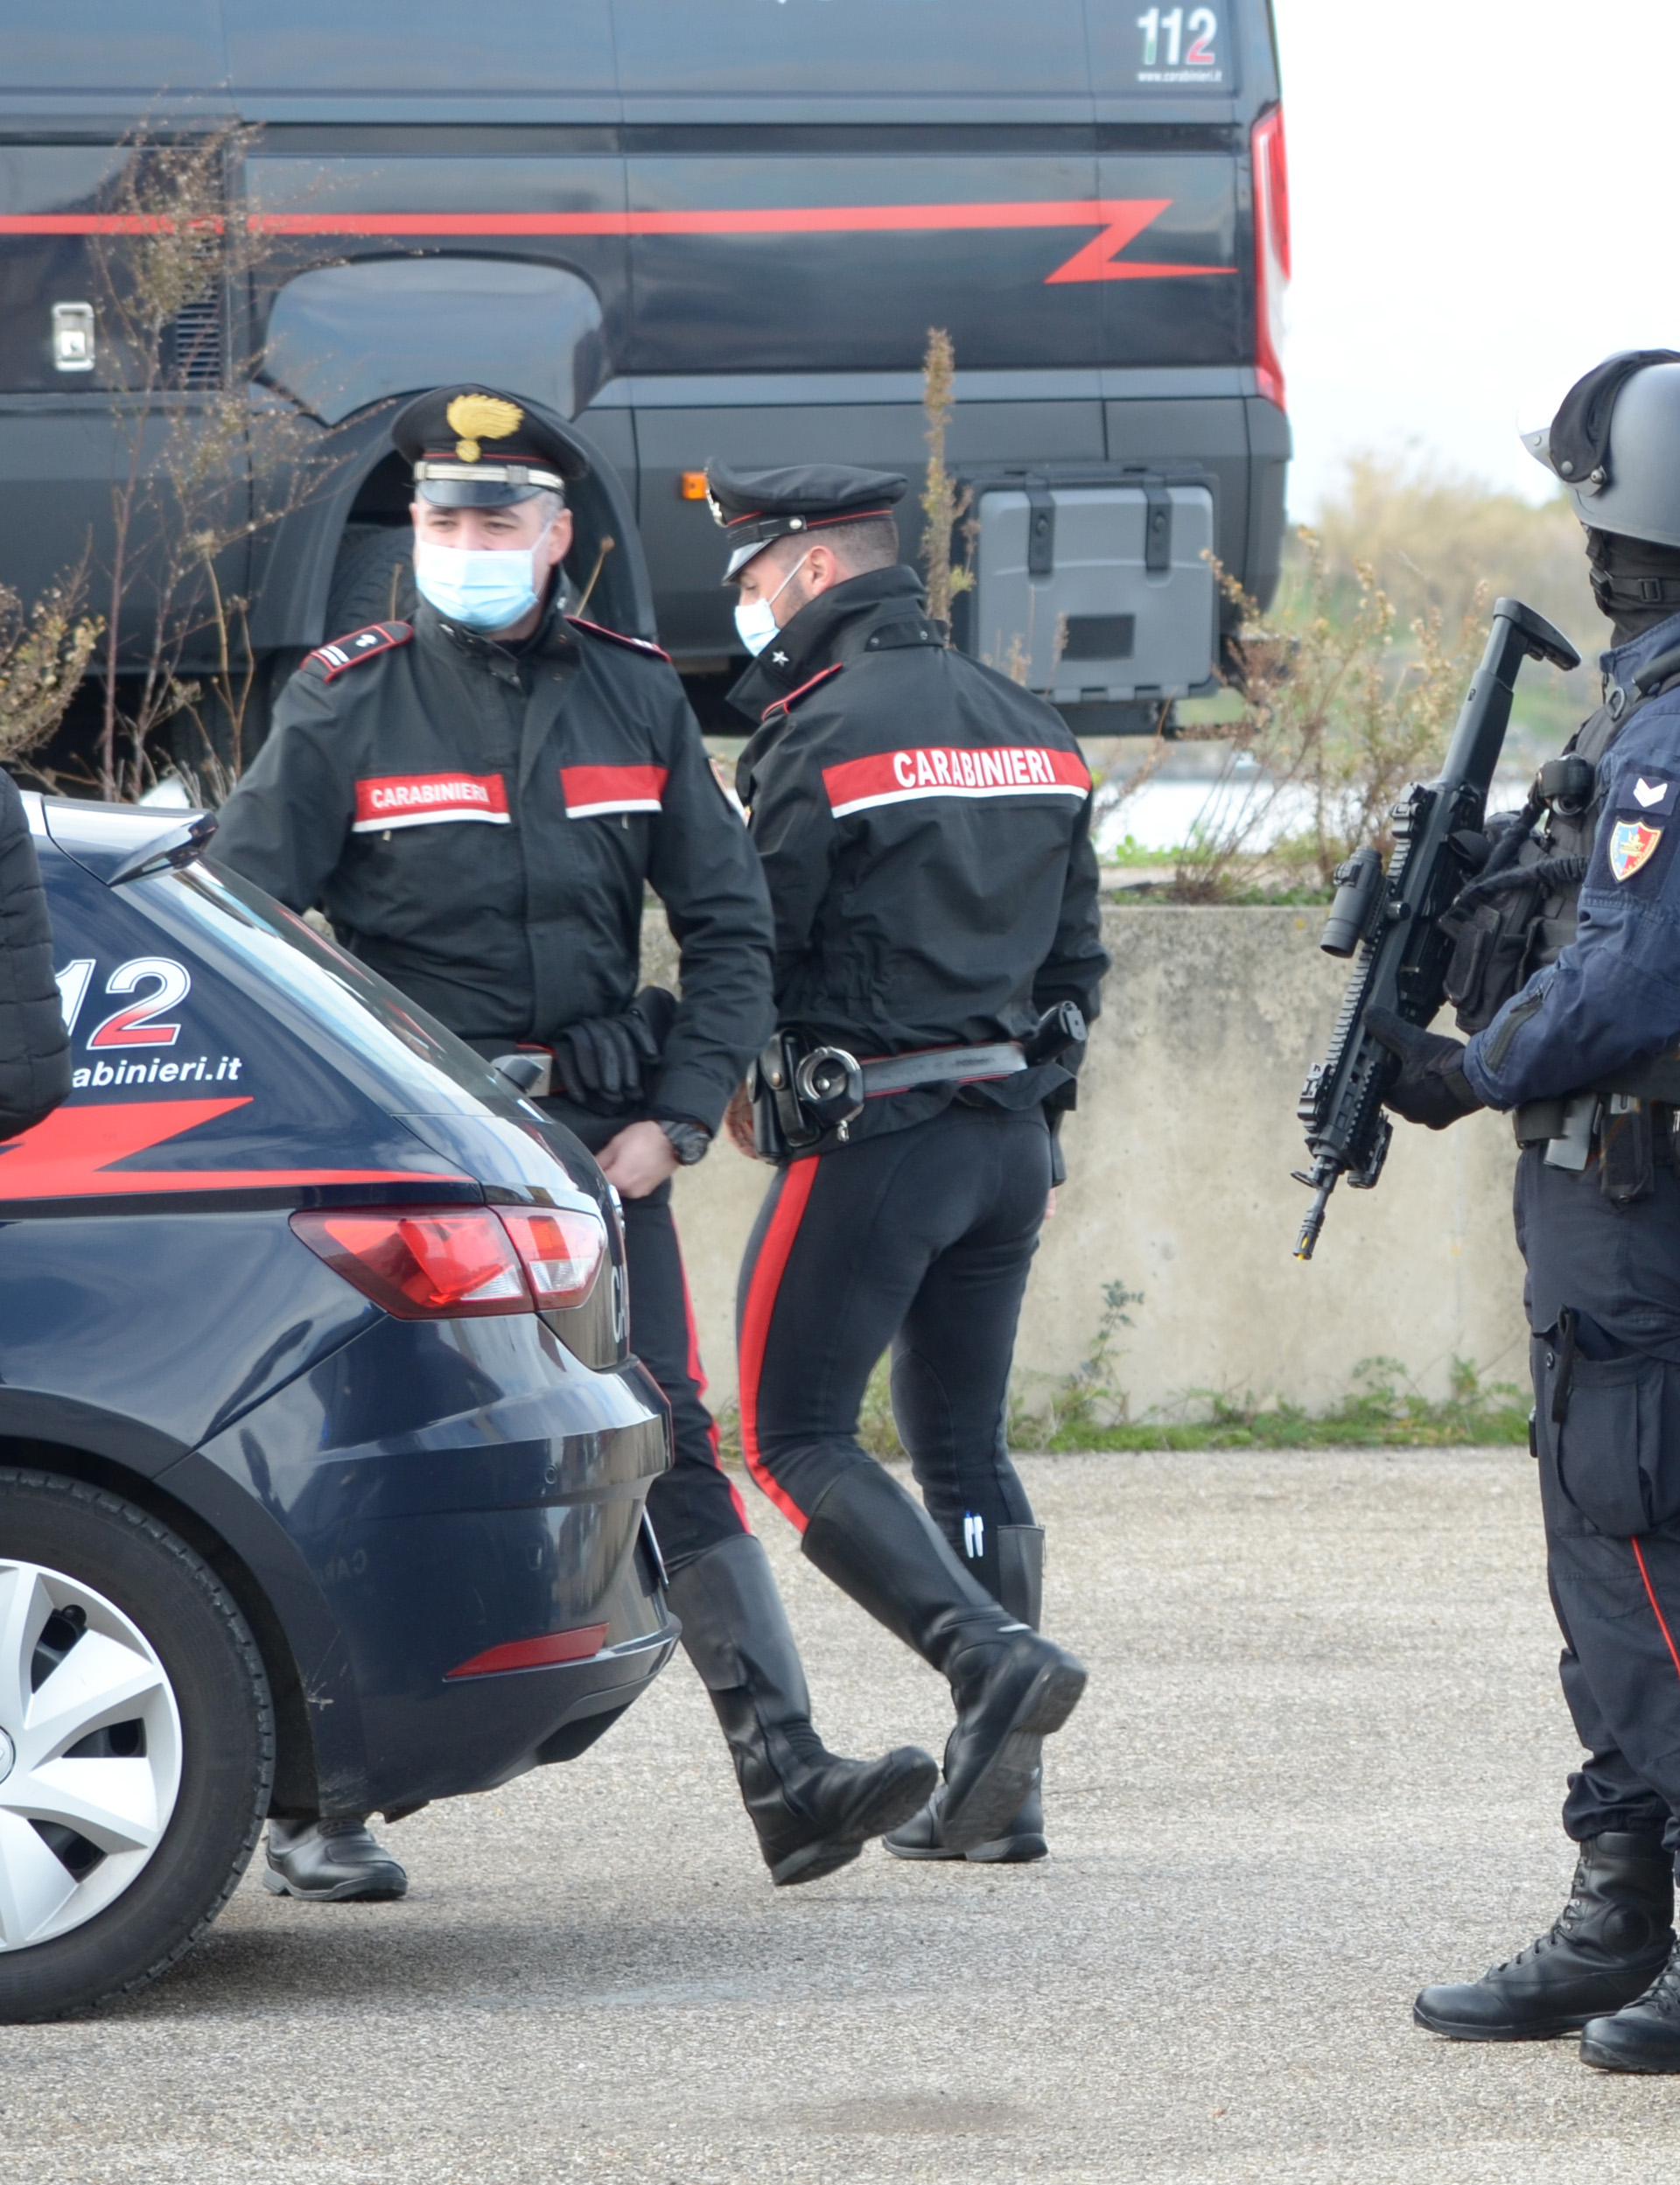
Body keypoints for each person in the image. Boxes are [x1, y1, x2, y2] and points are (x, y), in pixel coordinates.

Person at [215, 389, 935, 1901]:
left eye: (497, 519)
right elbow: (242, 928)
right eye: (442, 519)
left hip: (598, 1156)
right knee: (369, 1458)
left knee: (668, 1430)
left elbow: (731, 925)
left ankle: (791, 1776)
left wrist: (677, 1114)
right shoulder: (345, 699)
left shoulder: (636, 693)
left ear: (556, 538)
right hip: (415, 1160)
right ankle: (315, 1807)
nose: (465, 542)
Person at [1386, 353, 1680, 2075]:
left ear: (1634, 530)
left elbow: (1634, 976)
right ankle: (1622, 1896)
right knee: (1599, 1534)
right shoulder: (1668, 701)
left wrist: (1473, 1066)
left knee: (1638, 1533)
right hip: (1609, 1175)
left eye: (1592, 511)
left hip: (1638, 1178)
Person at [713, 459, 1100, 1866]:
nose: (750, 606)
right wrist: (1041, 1114)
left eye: (755, 578)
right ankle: (1004, 1794)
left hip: (876, 1137)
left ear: (814, 568)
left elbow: (759, 941)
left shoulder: (819, 731)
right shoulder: (1033, 724)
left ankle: (985, 1656)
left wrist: (717, 1081)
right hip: (1008, 1141)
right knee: (964, 1451)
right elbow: (1078, 964)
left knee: (790, 1434)